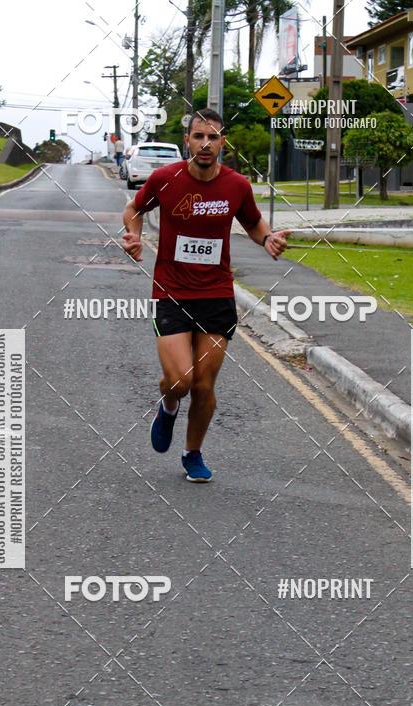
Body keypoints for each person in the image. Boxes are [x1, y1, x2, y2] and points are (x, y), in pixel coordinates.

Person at [122, 107, 290, 483]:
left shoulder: (236, 185)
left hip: (216, 295)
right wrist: (132, 235)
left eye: (213, 137)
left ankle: (192, 453)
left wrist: (268, 238)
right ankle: (167, 406)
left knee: (203, 384)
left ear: (222, 143)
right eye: (199, 136)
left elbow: (252, 222)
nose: (205, 144)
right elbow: (134, 208)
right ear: (187, 141)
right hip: (171, 293)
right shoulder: (166, 179)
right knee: (180, 381)